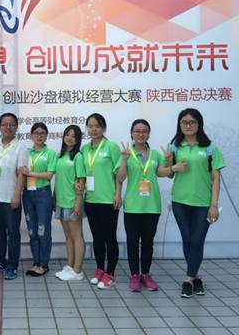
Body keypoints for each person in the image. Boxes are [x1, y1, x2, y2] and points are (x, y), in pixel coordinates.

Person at [168, 108, 225, 298]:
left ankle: (188, 280)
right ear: (179, 125)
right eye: (184, 122)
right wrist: (171, 165)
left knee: (197, 240)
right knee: (188, 240)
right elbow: (169, 174)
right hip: (180, 201)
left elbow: (216, 178)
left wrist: (214, 205)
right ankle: (195, 277)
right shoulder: (174, 147)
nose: (188, 125)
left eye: (192, 122)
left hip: (203, 203)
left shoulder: (210, 148)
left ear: (199, 124)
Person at [115, 119, 172, 292]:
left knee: (148, 242)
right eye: (137, 131)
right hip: (132, 206)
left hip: (152, 205)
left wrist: (170, 162)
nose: (141, 134)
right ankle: (134, 275)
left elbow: (165, 174)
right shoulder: (126, 154)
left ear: (148, 134)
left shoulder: (155, 155)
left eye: (144, 131)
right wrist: (124, 161)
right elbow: (120, 178)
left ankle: (146, 274)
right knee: (132, 242)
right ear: (131, 133)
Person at [0, 112, 28, 280]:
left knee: (13, 233)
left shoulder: (21, 147)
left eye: (11, 124)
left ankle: (12, 265)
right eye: (4, 124)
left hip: (11, 198)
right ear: (0, 127)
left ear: (16, 127)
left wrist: (17, 195)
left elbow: (21, 174)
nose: (8, 127)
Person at [81, 113, 121, 289]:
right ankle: (99, 269)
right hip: (91, 199)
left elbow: (119, 175)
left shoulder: (111, 147)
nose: (93, 129)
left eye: (97, 126)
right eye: (90, 126)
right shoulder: (85, 149)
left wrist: (118, 194)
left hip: (108, 200)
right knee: (97, 236)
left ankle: (110, 273)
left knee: (109, 237)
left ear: (103, 128)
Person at [20, 123, 57, 277]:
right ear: (31, 135)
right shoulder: (26, 153)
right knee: (32, 230)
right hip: (27, 194)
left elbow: (49, 175)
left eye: (42, 133)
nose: (39, 136)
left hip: (43, 194)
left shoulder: (51, 153)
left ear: (46, 135)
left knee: (43, 230)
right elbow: (20, 171)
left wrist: (29, 173)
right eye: (36, 133)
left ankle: (44, 263)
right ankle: (36, 262)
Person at [53, 125, 87, 281]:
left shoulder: (78, 156)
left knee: (77, 236)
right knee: (68, 236)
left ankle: (77, 270)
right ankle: (70, 266)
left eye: (74, 136)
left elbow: (81, 181)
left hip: (72, 202)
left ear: (78, 139)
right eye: (67, 134)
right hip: (61, 201)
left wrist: (78, 204)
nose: (70, 138)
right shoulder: (60, 156)